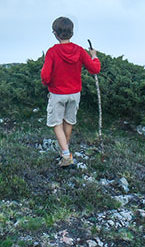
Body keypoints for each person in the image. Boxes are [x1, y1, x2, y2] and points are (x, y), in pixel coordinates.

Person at [40, 16, 100, 167]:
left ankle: (66, 155)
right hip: (75, 94)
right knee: (68, 121)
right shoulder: (79, 51)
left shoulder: (52, 52)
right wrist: (94, 56)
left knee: (56, 123)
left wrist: (47, 83)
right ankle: (64, 150)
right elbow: (95, 69)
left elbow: (45, 76)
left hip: (57, 94)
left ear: (55, 33)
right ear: (72, 33)